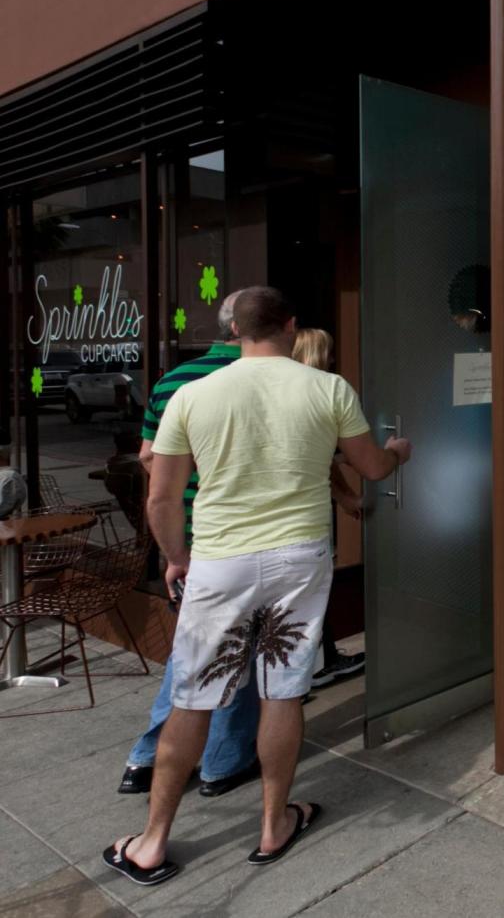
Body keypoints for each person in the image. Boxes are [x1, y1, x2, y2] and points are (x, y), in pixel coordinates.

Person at [104, 286, 411, 885]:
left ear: (234, 331)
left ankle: (151, 843)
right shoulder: (328, 388)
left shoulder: (193, 394)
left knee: (193, 696)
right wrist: (397, 451)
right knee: (283, 690)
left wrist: (176, 557)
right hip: (300, 555)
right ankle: (274, 825)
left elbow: (161, 497)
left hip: (220, 560)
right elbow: (372, 467)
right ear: (290, 326)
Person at [118, 293, 261, 798]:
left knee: (196, 649)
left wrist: (177, 539)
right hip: (241, 533)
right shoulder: (261, 378)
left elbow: (147, 457)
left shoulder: (172, 382)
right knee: (233, 650)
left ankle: (147, 759)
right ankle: (224, 761)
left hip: (193, 531)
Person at [291, 327, 365, 686]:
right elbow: (361, 462)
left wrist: (346, 493)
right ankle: (315, 667)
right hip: (306, 520)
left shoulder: (282, 393)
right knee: (309, 594)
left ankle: (319, 661)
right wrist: (391, 456)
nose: (334, 359)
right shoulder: (326, 390)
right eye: (329, 352)